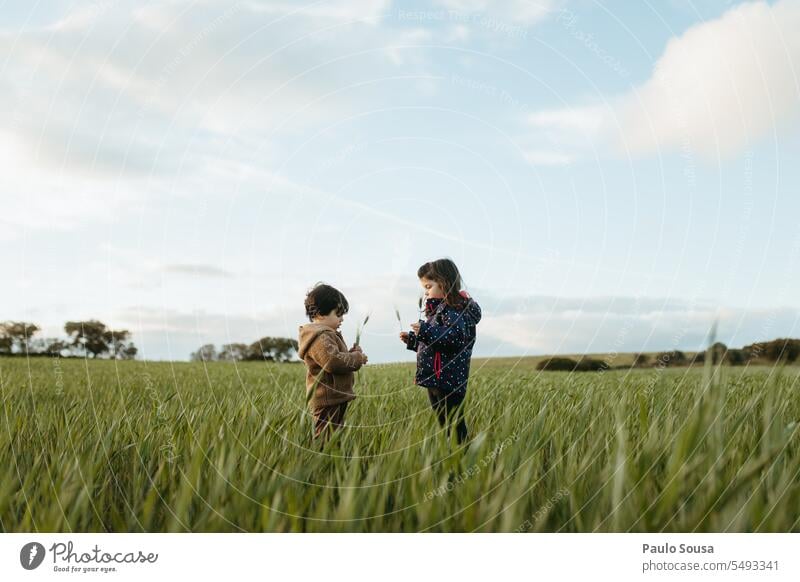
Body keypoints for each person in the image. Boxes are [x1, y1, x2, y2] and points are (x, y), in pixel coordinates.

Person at [400, 259, 481, 444]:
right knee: (444, 424)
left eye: (428, 286)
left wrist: (425, 331)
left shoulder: (453, 310)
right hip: (436, 378)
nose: (426, 291)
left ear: (444, 283)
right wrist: (413, 340)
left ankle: (462, 455)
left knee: (454, 424)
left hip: (448, 379)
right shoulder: (436, 311)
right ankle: (451, 455)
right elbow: (434, 346)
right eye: (424, 287)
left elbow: (454, 339)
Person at [298, 283, 367, 441]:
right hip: (327, 398)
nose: (342, 319)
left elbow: (335, 357)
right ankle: (323, 464)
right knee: (326, 438)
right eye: (338, 314)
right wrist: (357, 359)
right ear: (321, 313)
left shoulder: (325, 335)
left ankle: (334, 462)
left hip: (334, 396)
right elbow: (333, 362)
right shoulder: (319, 336)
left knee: (334, 436)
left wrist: (352, 354)